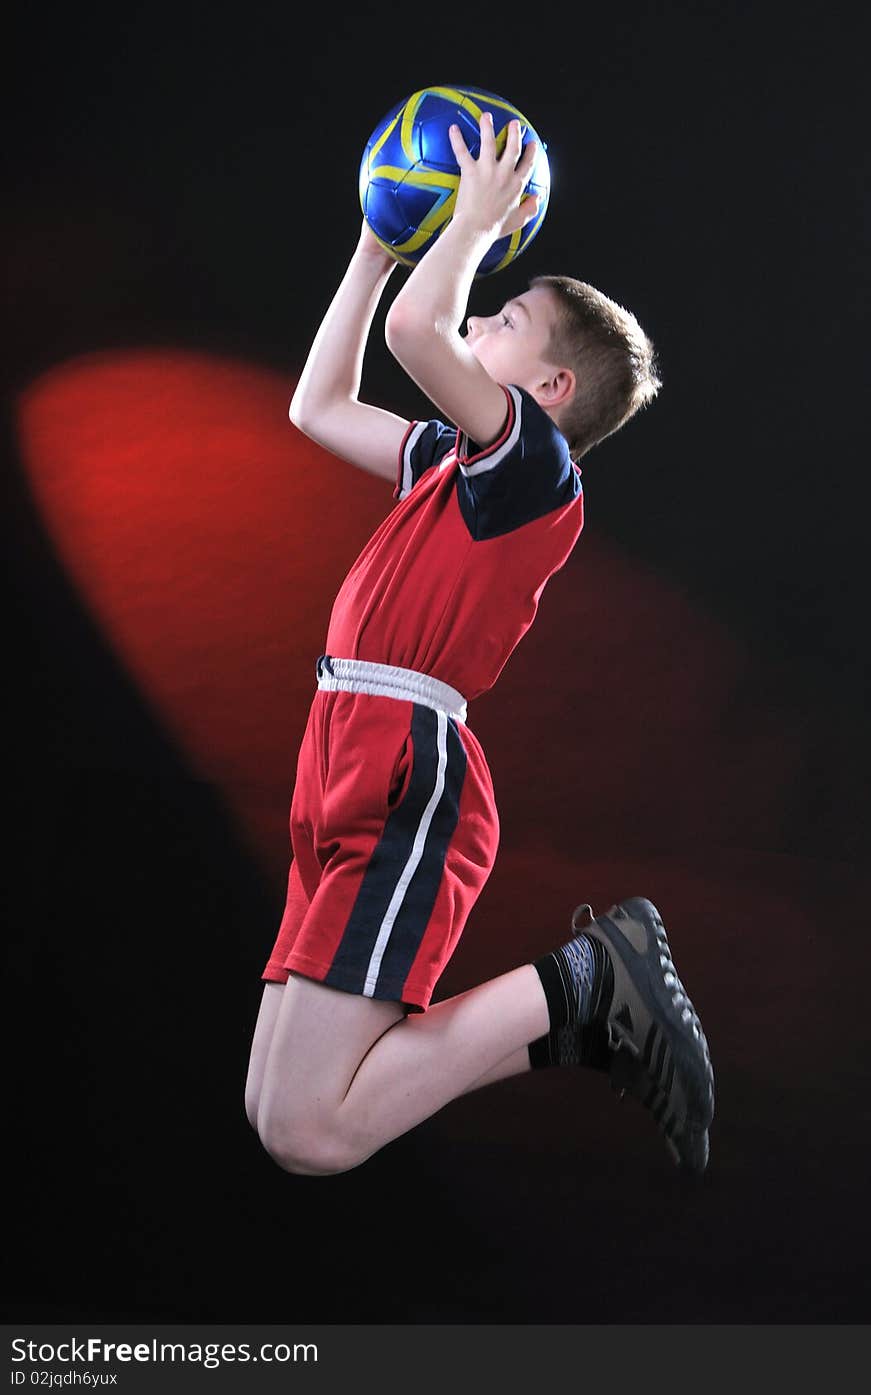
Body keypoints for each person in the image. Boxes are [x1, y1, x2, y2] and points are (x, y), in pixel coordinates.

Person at [245, 111, 714, 1178]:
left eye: (502, 317)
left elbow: (418, 335)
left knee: (313, 1136)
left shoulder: (533, 470)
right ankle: (576, 1014)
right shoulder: (452, 464)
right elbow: (316, 406)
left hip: (407, 770)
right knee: (276, 1111)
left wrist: (464, 223)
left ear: (547, 394)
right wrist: (376, 247)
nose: (474, 320)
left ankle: (595, 976)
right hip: (344, 748)